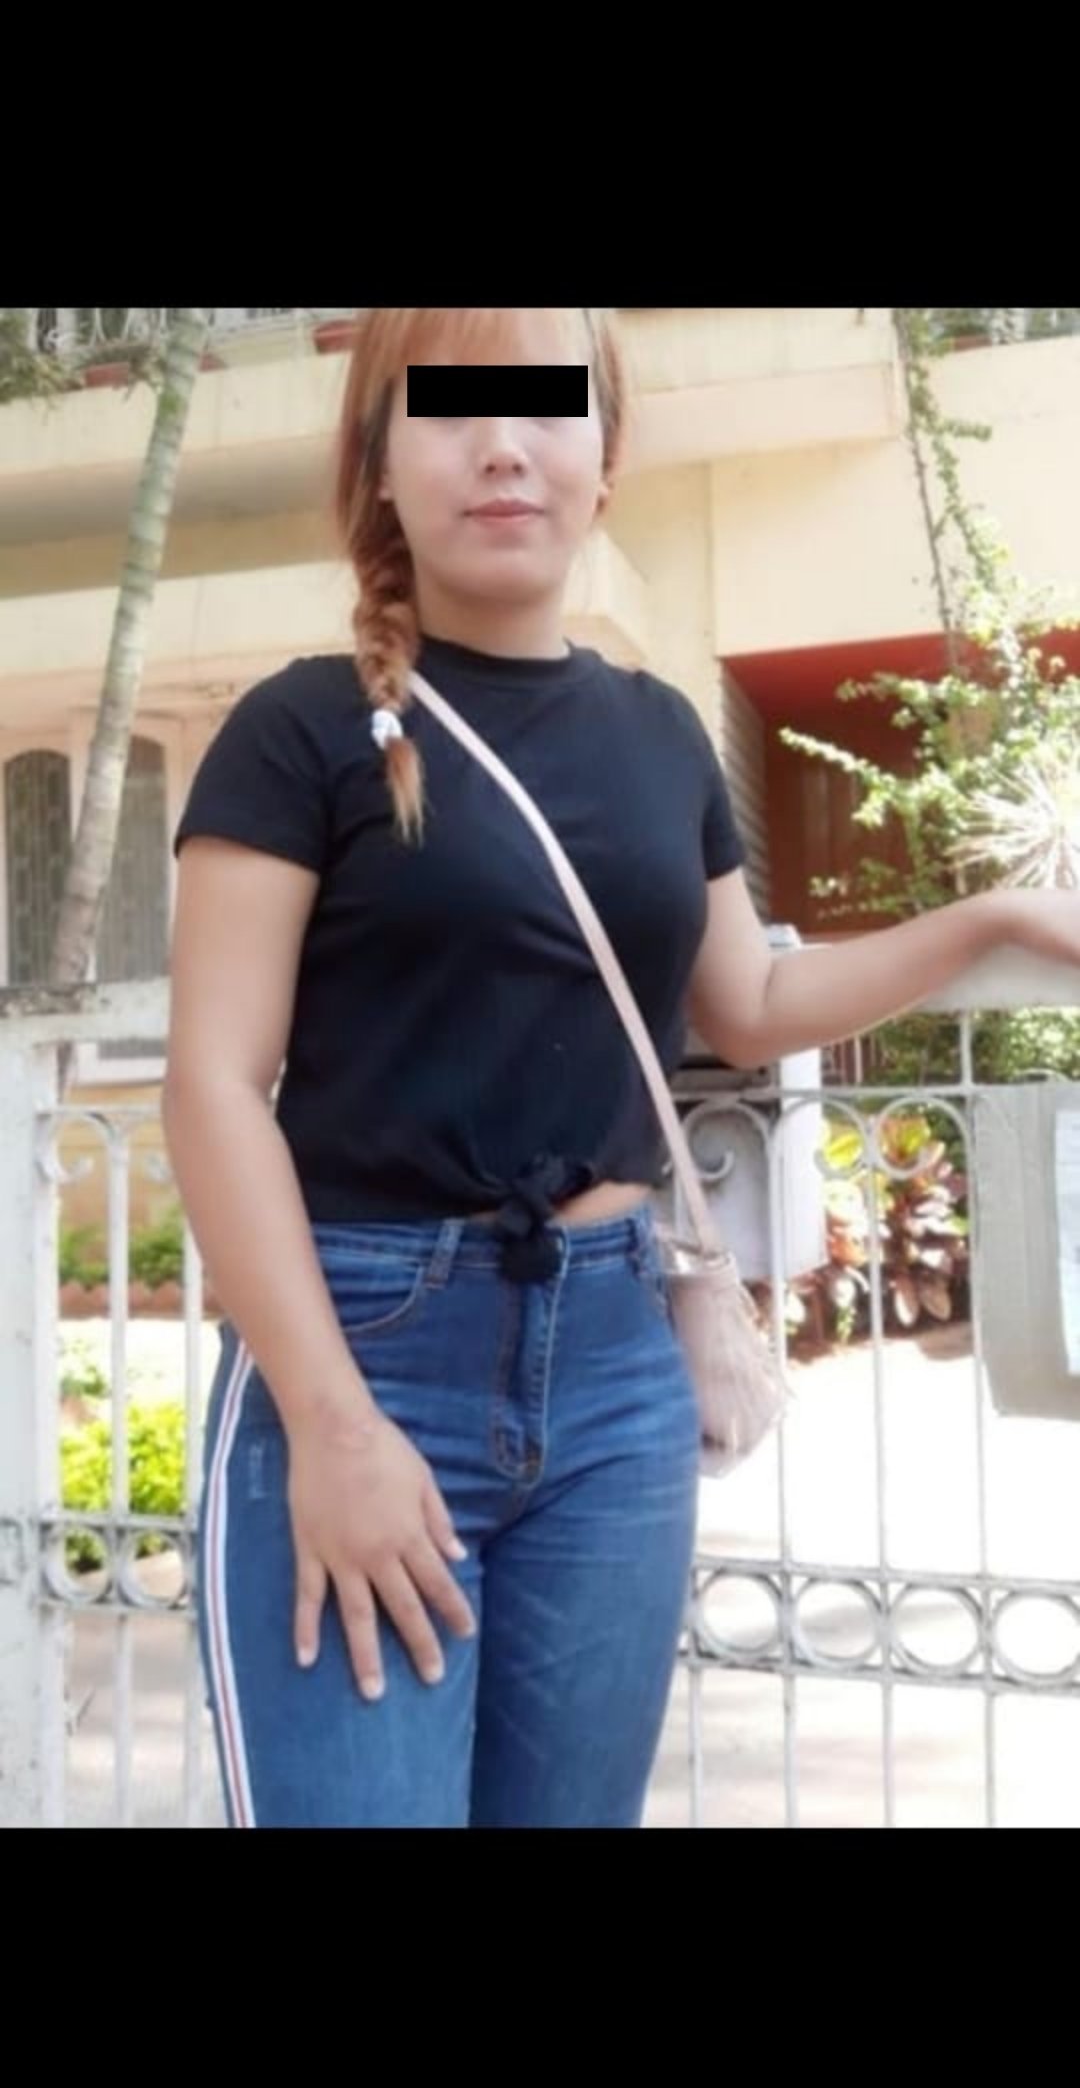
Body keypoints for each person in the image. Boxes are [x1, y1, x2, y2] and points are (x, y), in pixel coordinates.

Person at [163, 306, 1080, 1828]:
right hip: (362, 1346)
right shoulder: (298, 731)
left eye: (547, 406)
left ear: (608, 455)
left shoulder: (659, 733)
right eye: (450, 409)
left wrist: (989, 916)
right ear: (377, 461)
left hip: (612, 1365)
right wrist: (330, 1425)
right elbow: (211, 1084)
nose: (503, 448)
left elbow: (752, 1003)